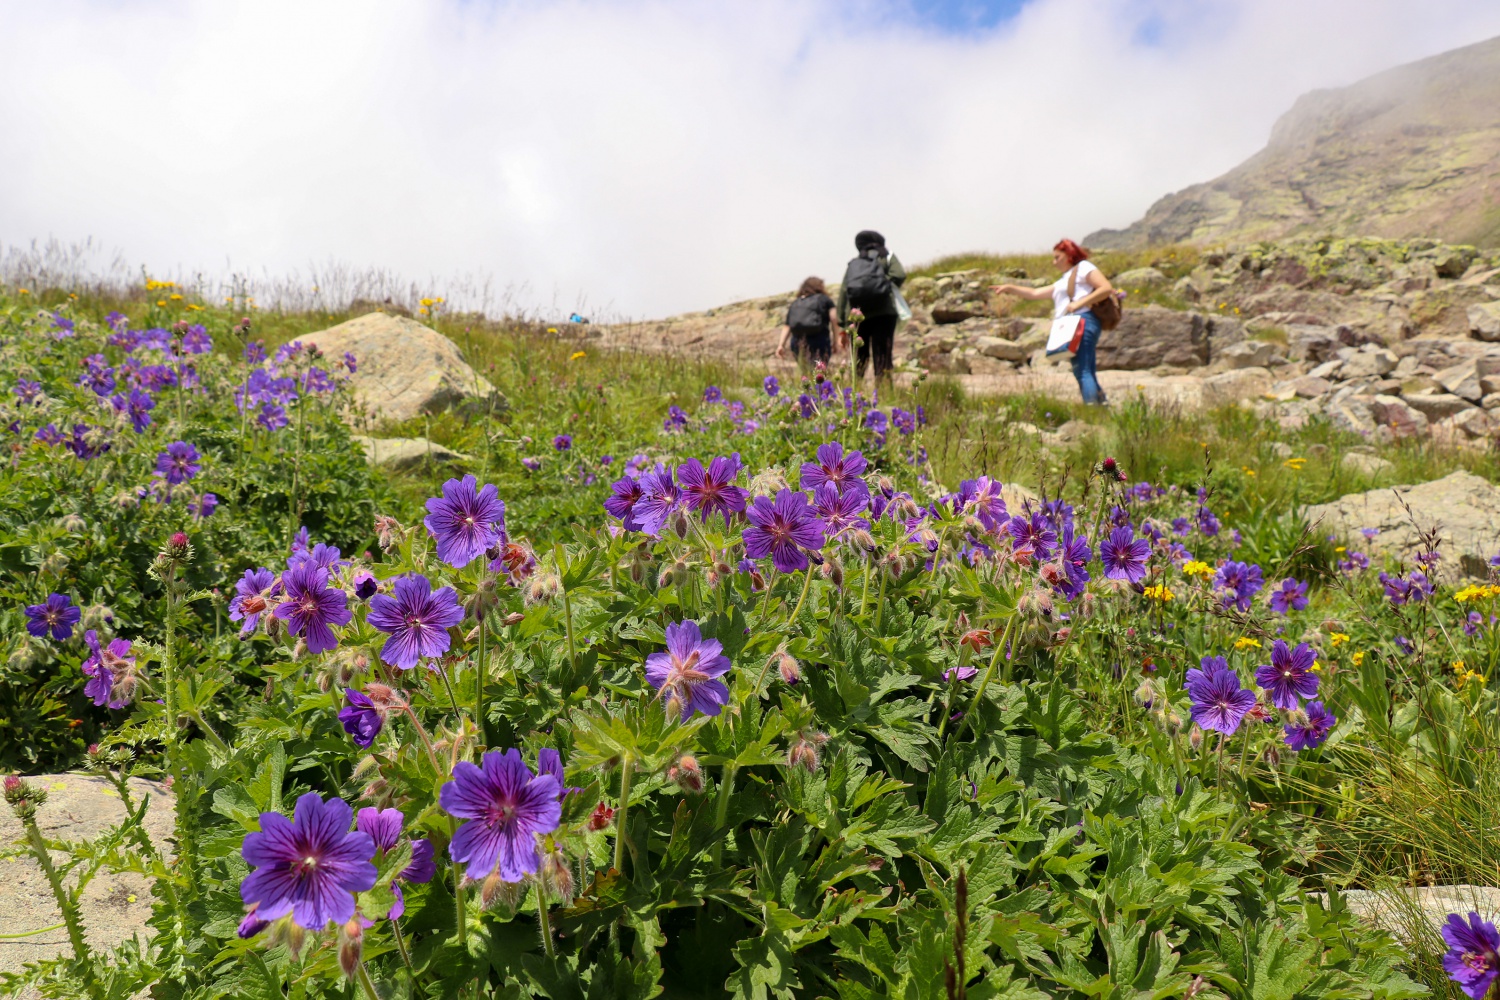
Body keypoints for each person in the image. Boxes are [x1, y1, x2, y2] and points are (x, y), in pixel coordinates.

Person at [991, 239, 1114, 405]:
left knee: (1083, 369)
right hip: (1074, 324)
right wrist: (1009, 288)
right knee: (1084, 368)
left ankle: (1092, 407)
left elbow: (1106, 288)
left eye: (1057, 257)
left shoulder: (1084, 268)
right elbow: (1034, 293)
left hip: (1082, 321)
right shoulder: (1065, 279)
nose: (1054, 262)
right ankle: (1100, 403)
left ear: (1069, 255)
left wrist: (1079, 303)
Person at [838, 230, 906, 384]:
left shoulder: (854, 264)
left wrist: (842, 324)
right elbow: (900, 274)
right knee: (883, 353)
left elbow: (843, 292)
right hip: (884, 313)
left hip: (857, 314)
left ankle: (855, 392)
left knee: (859, 355)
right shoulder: (886, 256)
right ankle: (884, 391)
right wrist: (884, 285)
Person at [775, 277, 841, 369]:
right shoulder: (824, 299)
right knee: (819, 372)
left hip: (797, 342)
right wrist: (836, 341)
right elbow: (834, 319)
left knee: (805, 372)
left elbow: (787, 326)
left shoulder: (796, 302)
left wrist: (781, 345)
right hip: (819, 340)